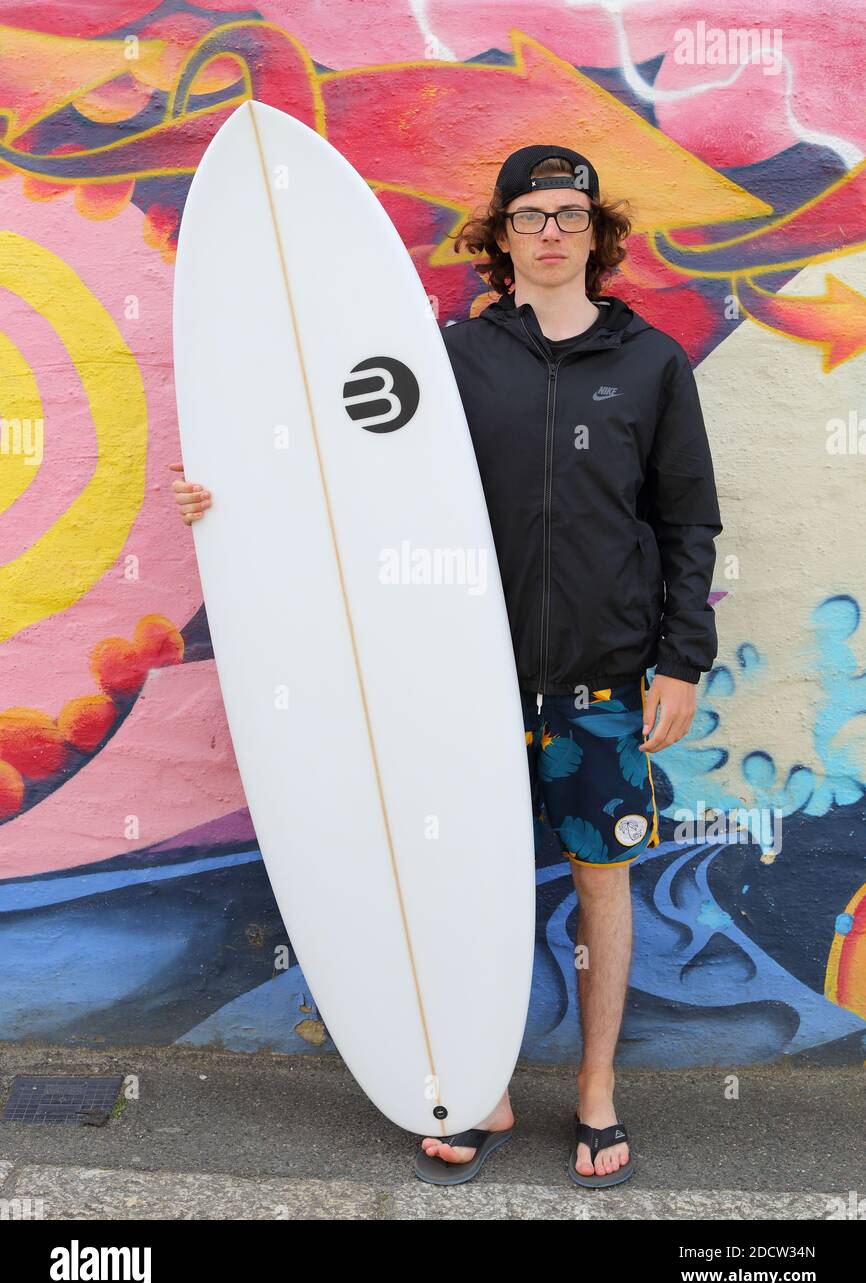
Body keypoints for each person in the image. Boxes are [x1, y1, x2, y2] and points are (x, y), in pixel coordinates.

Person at [170, 143, 722, 1190]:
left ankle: (595, 1090)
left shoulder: (648, 363)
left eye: (569, 214)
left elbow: (686, 520)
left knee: (601, 884)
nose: (550, 232)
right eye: (530, 215)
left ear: (596, 234)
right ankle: (476, 1083)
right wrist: (226, 496)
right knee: (465, 879)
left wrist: (679, 659)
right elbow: (349, 473)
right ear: (500, 233)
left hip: (599, 680)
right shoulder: (450, 358)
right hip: (455, 678)